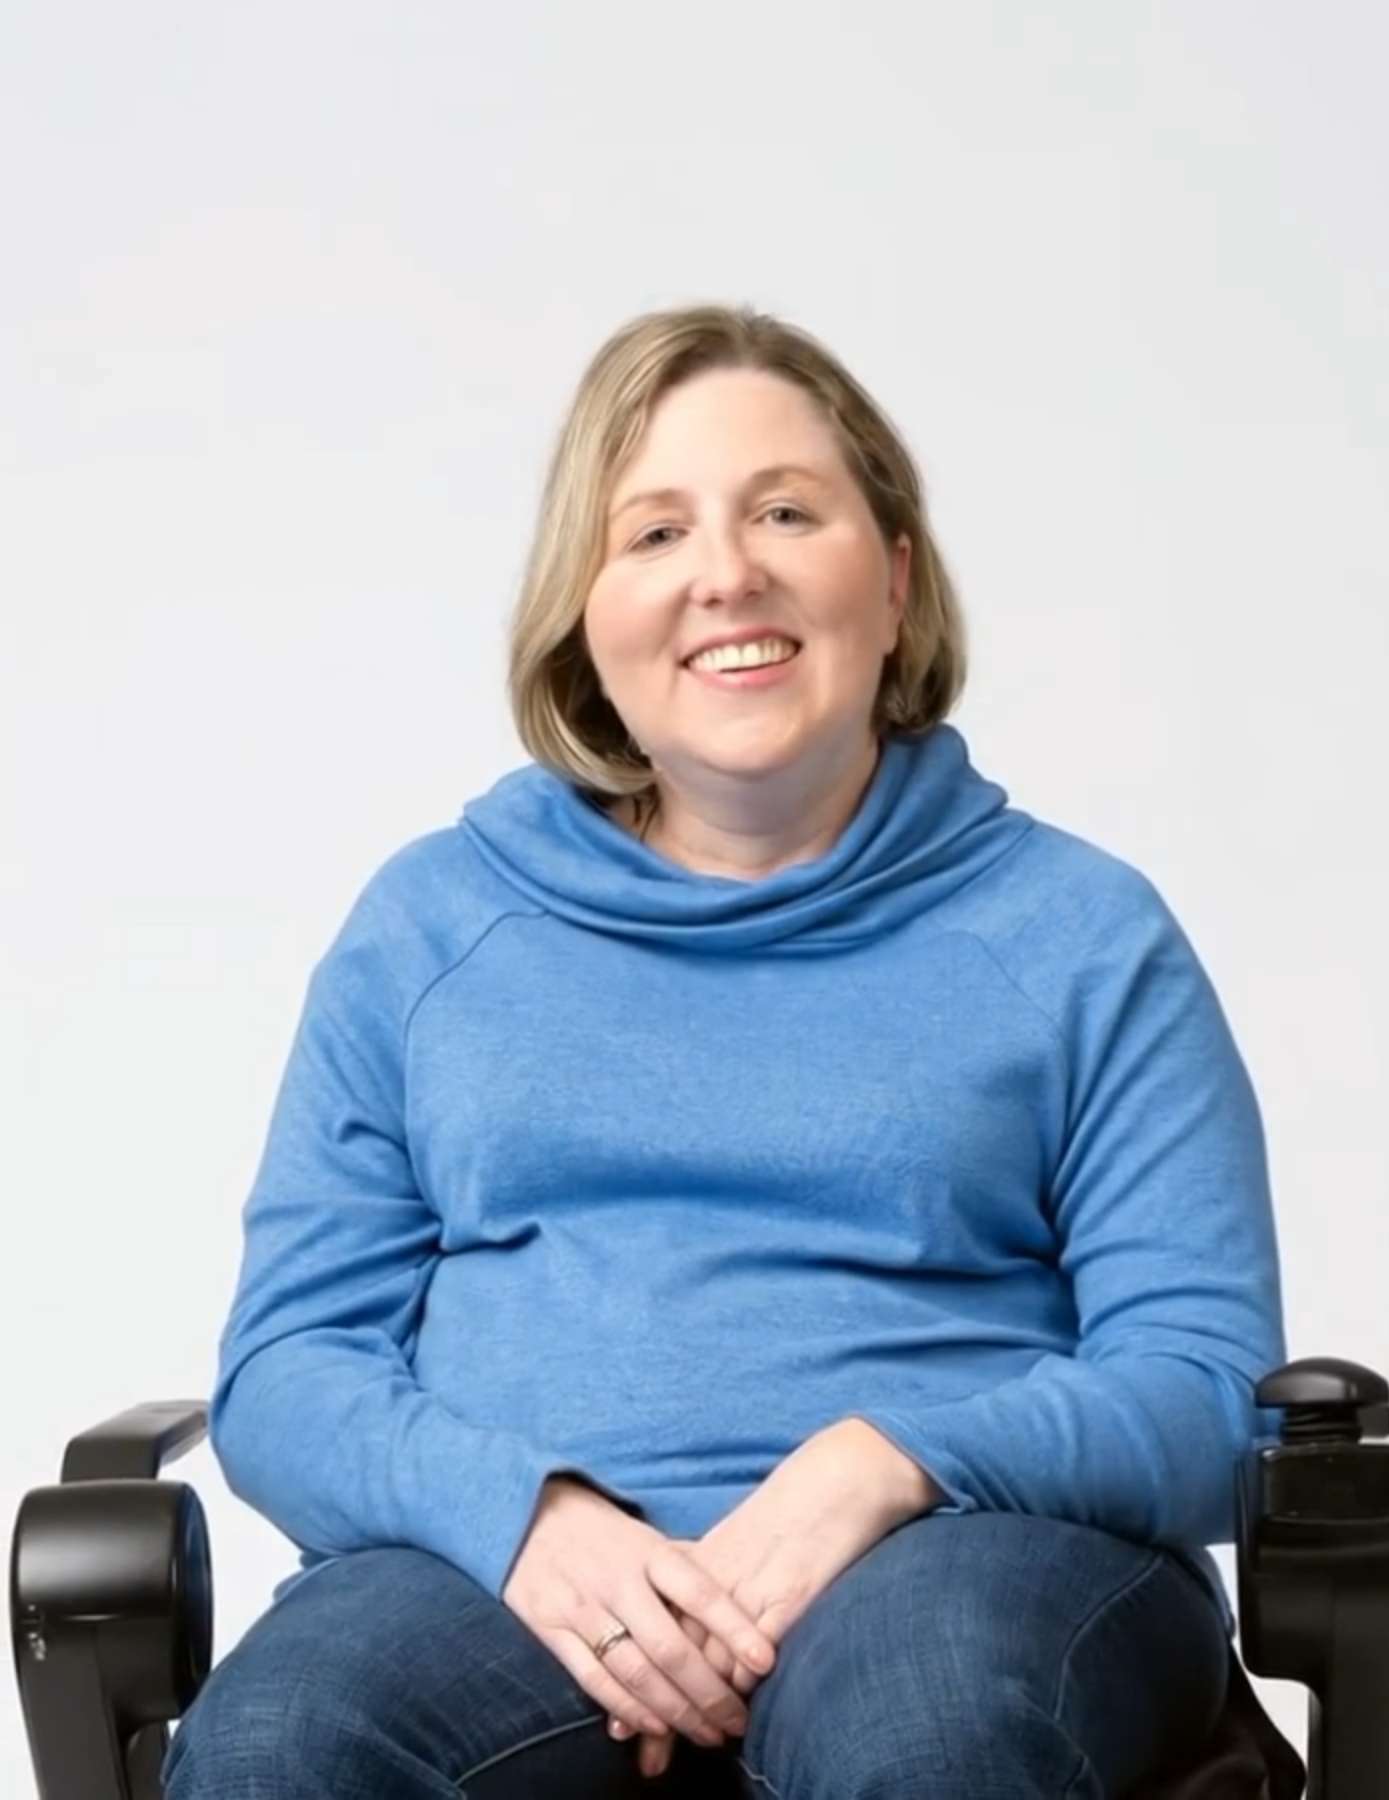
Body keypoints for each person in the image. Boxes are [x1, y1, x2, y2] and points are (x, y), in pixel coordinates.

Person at [162, 303, 1289, 1799]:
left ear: (893, 581)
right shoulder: (432, 933)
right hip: (515, 1583)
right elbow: (289, 1371)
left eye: (784, 511)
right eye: (654, 534)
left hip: (970, 1562)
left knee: (929, 1736)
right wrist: (526, 1519)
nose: (725, 575)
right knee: (281, 1748)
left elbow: (1211, 1390)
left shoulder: (1078, 937)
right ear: (586, 617)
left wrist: (890, 1466)